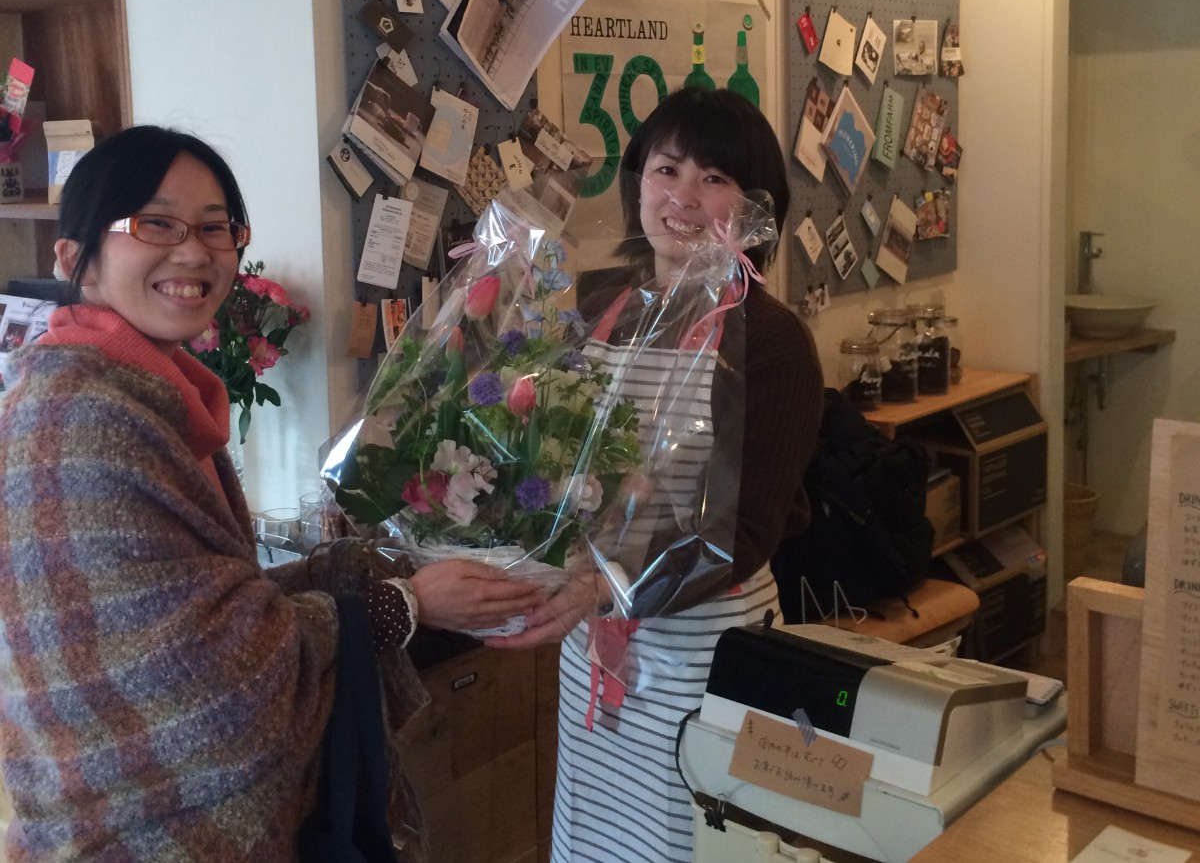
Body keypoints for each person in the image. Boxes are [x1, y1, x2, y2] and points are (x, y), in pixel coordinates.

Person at [0, 125, 540, 861]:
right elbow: (204, 676)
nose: (193, 252)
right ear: (74, 258)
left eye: (214, 227)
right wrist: (403, 606)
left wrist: (350, 570)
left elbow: (208, 604)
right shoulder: (80, 422)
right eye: (155, 224)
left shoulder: (150, 398)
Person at [490, 88, 824, 863]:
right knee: (597, 837)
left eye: (714, 178)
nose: (683, 196)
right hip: (594, 646)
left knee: (695, 840)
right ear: (637, 179)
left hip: (705, 651)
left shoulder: (772, 341)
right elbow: (559, 456)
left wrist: (603, 583)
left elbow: (743, 531)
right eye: (666, 169)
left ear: (755, 206)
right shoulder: (602, 305)